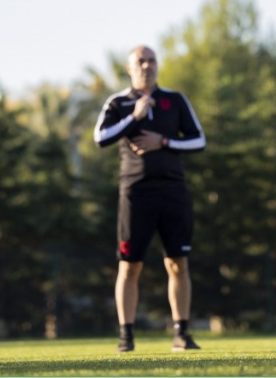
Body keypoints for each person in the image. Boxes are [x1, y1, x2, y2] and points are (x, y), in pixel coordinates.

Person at [93, 47, 207, 353]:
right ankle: (125, 336)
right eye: (140, 61)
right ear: (130, 68)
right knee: (129, 266)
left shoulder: (176, 100)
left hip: (173, 191)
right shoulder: (117, 103)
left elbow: (199, 140)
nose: (146, 65)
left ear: (158, 65)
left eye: (151, 60)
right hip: (135, 193)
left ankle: (182, 334)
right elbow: (101, 138)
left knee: (177, 263)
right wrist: (135, 116)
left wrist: (164, 141)